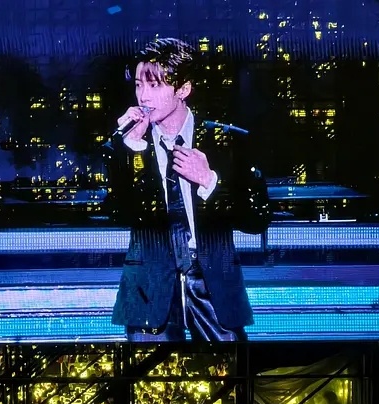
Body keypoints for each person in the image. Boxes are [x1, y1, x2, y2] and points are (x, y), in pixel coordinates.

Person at [104, 37, 270, 342]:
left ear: (183, 89)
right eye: (139, 85)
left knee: (229, 368)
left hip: (215, 286)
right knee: (147, 371)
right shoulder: (124, 146)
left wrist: (210, 182)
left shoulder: (230, 142)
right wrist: (134, 150)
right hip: (148, 291)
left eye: (154, 85)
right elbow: (118, 213)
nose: (143, 95)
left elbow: (257, 219)